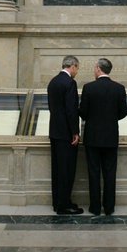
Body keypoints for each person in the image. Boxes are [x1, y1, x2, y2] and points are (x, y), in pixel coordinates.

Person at [79, 57, 127, 216]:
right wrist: (111, 119)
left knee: (93, 172)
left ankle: (95, 207)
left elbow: (83, 112)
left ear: (99, 69)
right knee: (109, 172)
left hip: (92, 137)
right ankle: (109, 207)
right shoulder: (119, 88)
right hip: (111, 136)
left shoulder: (89, 88)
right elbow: (123, 112)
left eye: (95, 68)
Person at [47, 55, 83, 215]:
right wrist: (75, 132)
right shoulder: (70, 83)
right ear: (73, 66)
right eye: (77, 68)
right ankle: (64, 205)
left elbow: (52, 107)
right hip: (66, 134)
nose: (77, 72)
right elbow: (71, 110)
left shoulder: (53, 81)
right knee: (66, 170)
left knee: (57, 169)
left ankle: (58, 202)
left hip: (55, 131)